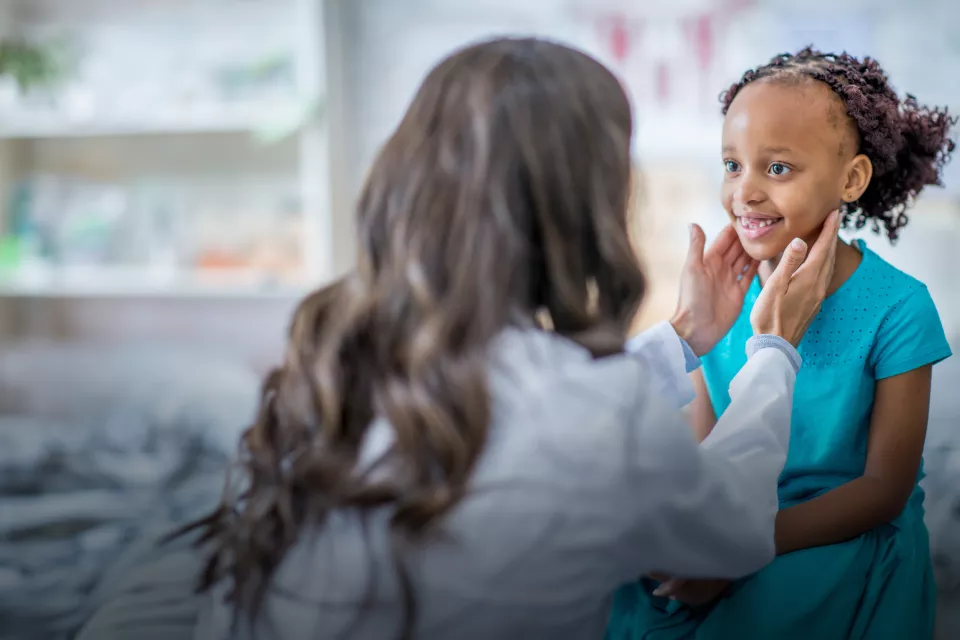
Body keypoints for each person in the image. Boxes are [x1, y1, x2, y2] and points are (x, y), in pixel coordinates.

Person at [77, 38, 837, 640]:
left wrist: (682, 338)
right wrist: (774, 351)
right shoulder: (590, 410)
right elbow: (734, 531)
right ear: (578, 206)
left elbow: (527, 412)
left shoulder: (337, 352)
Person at [606, 47, 956, 640]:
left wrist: (736, 549)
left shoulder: (899, 306)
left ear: (851, 179)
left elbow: (883, 490)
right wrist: (688, 541)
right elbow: (701, 455)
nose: (744, 193)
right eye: (731, 165)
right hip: (734, 515)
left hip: (837, 535)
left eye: (777, 169)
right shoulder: (718, 303)